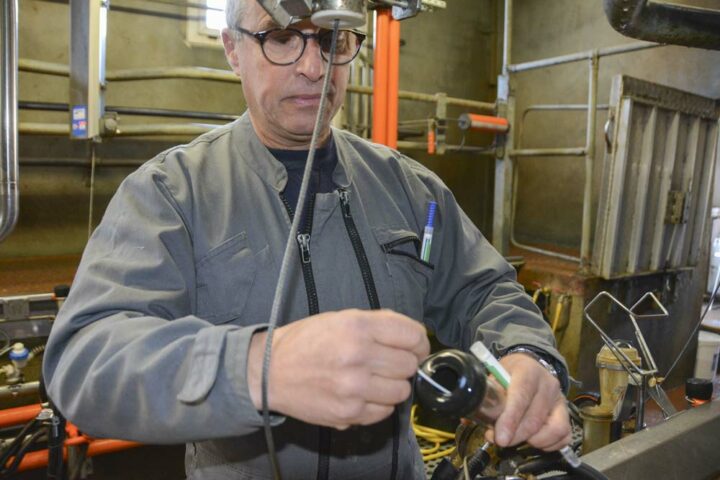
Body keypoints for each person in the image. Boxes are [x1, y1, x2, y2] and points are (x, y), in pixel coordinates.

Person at [43, 0, 572, 478]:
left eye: (331, 40)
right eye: (280, 36)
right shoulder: (171, 195)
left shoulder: (409, 188)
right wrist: (259, 368)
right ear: (232, 49)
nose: (314, 68)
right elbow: (84, 359)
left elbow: (484, 291)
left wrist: (528, 359)